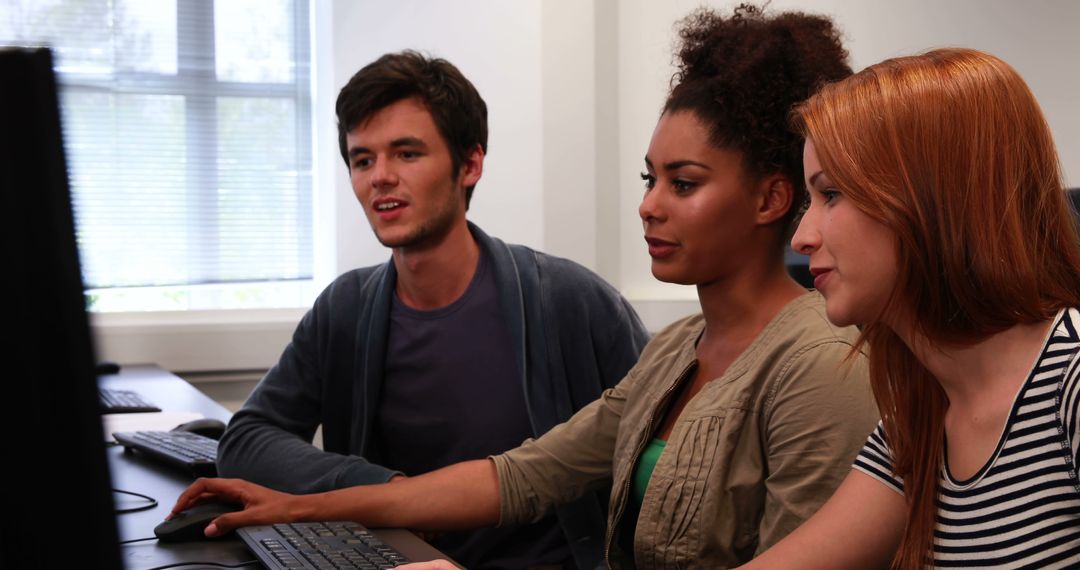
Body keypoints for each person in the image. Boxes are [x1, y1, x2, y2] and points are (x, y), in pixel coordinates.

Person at [174, 6, 880, 568]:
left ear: (770, 199)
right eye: (649, 179)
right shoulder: (676, 352)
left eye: (683, 184)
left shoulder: (821, 362)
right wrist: (298, 509)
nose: (649, 205)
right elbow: (518, 476)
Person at [214, 50, 651, 570]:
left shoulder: (569, 301)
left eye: (406, 154)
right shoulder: (346, 309)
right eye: (362, 159)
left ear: (470, 164)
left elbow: (662, 456)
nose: (380, 177)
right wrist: (385, 488)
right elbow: (245, 439)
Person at [738, 48, 1080, 569]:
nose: (803, 237)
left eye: (830, 194)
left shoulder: (1070, 384)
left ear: (932, 196)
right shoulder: (918, 419)